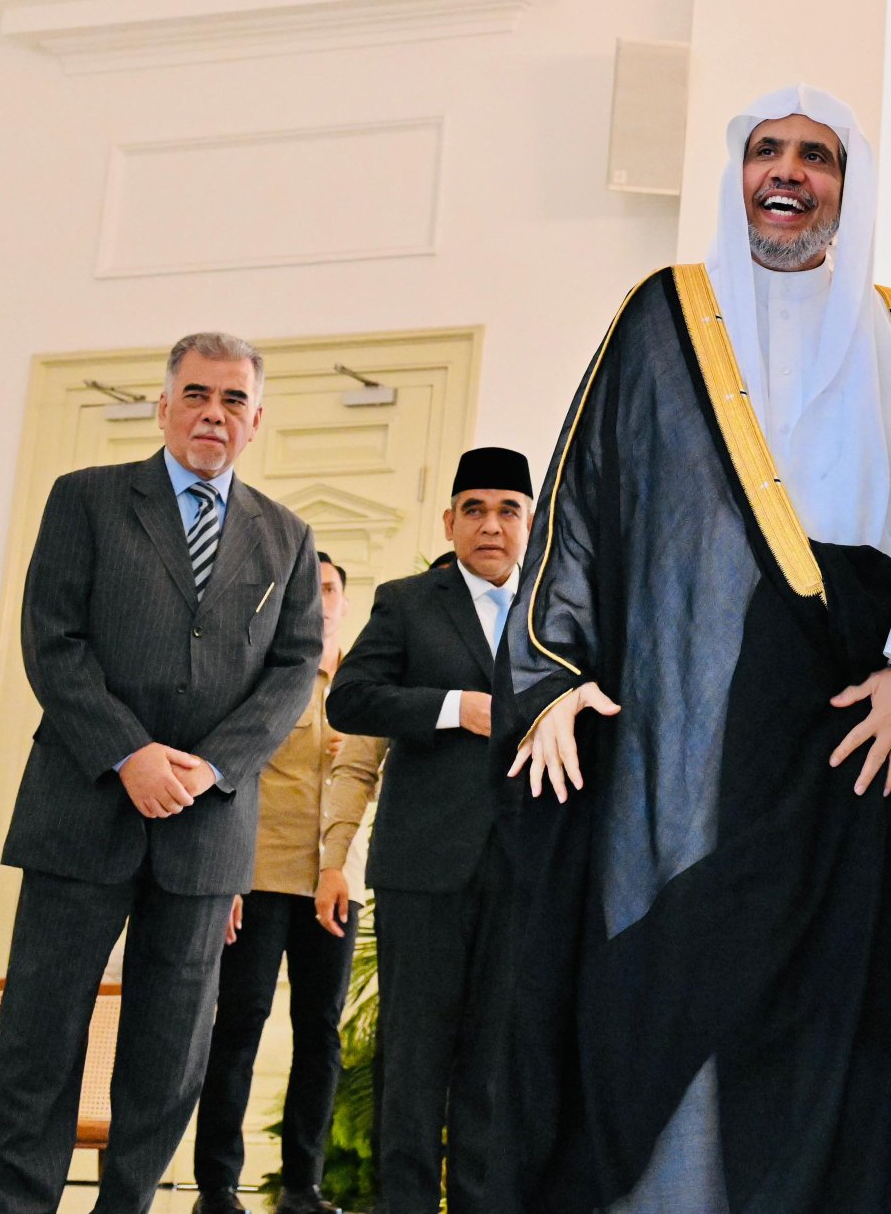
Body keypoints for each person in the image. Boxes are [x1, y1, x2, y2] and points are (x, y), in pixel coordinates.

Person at [494, 85, 891, 1214]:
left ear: (846, 183)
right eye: (765, 150)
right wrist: (556, 678)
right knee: (678, 975)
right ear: (737, 175)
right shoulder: (664, 313)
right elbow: (581, 508)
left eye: (815, 155)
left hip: (862, 714)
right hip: (693, 713)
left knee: (839, 999)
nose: (788, 172)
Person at [0, 333, 324, 1214]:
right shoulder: (86, 500)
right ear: (164, 406)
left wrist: (211, 768)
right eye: (198, 394)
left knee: (169, 1057)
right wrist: (128, 753)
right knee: (37, 1042)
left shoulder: (285, 538)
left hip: (206, 835)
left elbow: (293, 673)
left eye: (234, 400)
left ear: (256, 420)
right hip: (82, 809)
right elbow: (51, 642)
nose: (216, 412)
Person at [325, 451, 534, 1214]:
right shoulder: (410, 602)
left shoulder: (559, 611)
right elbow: (349, 700)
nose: (491, 523)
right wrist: (455, 707)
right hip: (424, 870)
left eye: (508, 508)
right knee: (413, 1066)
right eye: (474, 508)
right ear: (448, 522)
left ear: (530, 523)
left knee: (492, 1066)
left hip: (524, 871)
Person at [191, 552, 385, 1214]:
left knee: (320, 1031)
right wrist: (225, 880)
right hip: (259, 874)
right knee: (239, 1024)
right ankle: (217, 1187)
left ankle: (303, 1186)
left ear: (346, 603)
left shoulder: (368, 685)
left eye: (329, 586)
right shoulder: (262, 679)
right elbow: (228, 778)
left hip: (337, 884)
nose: (319, 597)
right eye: (308, 587)